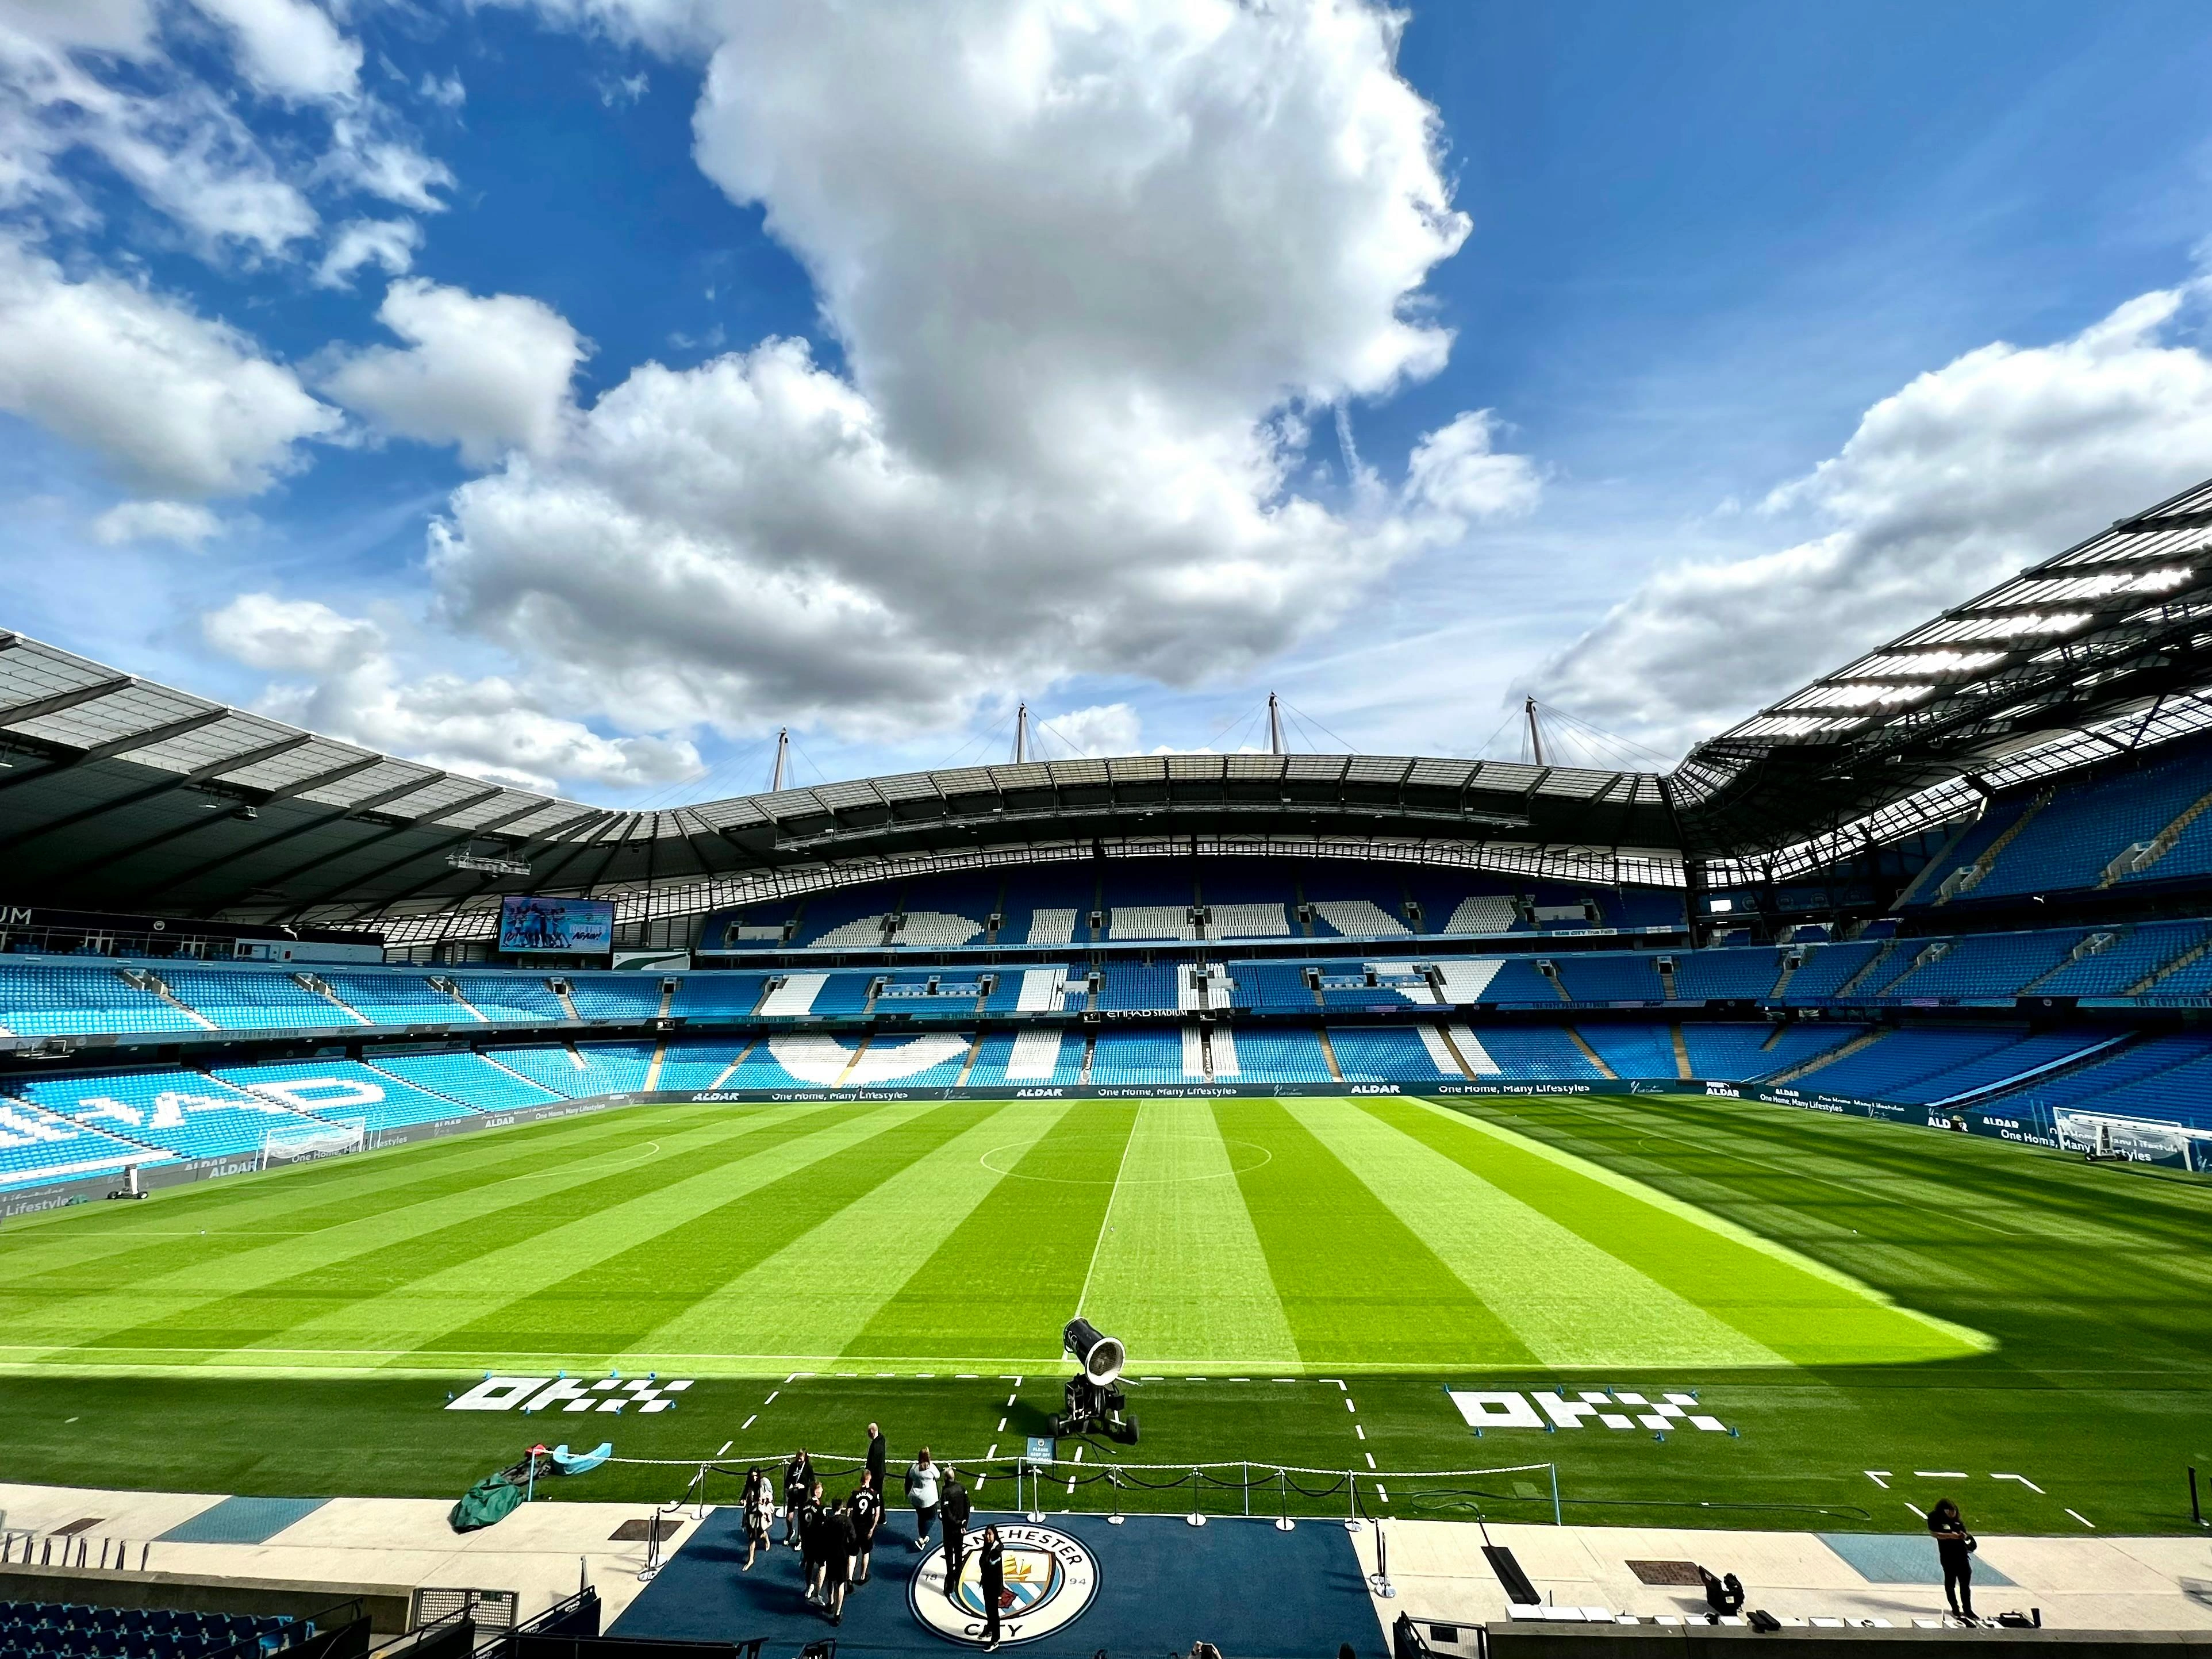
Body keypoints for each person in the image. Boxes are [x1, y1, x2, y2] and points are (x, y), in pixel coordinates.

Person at [1929, 1498, 1976, 1621]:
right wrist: (1952, 1536)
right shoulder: (1935, 1518)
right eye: (1950, 1511)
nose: (1952, 1514)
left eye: (1954, 1511)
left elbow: (1965, 1536)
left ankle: (1968, 1609)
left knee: (1965, 1585)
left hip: (1962, 1556)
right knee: (1950, 1584)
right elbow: (1936, 1534)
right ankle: (1955, 1608)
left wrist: (1965, 1537)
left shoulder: (1957, 1522)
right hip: (1948, 1557)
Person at [820, 1496, 855, 1625]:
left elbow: (823, 1538)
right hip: (842, 1555)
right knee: (840, 1583)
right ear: (842, 1508)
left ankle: (830, 1602)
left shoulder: (828, 1522)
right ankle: (837, 1613)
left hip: (830, 1554)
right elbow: (853, 1538)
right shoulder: (846, 1521)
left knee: (830, 1580)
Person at [940, 1466, 973, 1601]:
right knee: (959, 1552)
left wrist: (958, 1523)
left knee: (949, 1555)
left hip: (950, 1529)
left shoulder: (946, 1493)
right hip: (960, 1528)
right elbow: (967, 1506)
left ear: (945, 1478)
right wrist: (964, 1524)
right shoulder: (962, 1488)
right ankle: (958, 1575)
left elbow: (947, 1514)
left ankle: (950, 1584)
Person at [850, 1472, 884, 1585]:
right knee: (866, 1552)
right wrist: (872, 1529)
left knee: (853, 1553)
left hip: (855, 1527)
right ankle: (862, 1576)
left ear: (861, 1480)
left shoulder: (855, 1493)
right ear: (870, 1479)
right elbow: (877, 1514)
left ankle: (849, 1578)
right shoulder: (874, 1494)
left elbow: (848, 1510)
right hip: (866, 1528)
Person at [800, 1480, 830, 1604]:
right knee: (822, 1566)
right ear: (817, 1491)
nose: (822, 1491)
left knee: (809, 1565)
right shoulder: (820, 1508)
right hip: (818, 1542)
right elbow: (824, 1525)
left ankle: (808, 1587)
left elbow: (801, 1524)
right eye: (821, 1489)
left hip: (807, 1541)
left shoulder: (803, 1506)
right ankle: (817, 1595)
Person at [906, 1446, 941, 1550]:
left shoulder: (914, 1468)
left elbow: (910, 1477)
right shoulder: (931, 1468)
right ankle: (922, 1538)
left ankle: (923, 1536)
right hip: (928, 1499)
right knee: (932, 1517)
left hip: (916, 1498)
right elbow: (938, 1476)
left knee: (921, 1517)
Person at [978, 1523, 1005, 1651]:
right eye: (987, 1534)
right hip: (987, 1584)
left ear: (995, 1535)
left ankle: (996, 1639)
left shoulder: (995, 1552)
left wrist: (999, 1591)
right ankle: (989, 1629)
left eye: (990, 1534)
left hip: (994, 1587)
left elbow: (988, 1567)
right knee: (989, 1610)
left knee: (994, 1613)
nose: (988, 1537)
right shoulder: (988, 1547)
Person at [740, 1468, 772, 1572]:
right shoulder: (749, 1485)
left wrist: (763, 1500)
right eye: (752, 1476)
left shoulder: (763, 1483)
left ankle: (765, 1537)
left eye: (755, 1476)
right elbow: (744, 1496)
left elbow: (770, 1496)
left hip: (760, 1513)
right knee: (751, 1536)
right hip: (750, 1513)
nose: (754, 1478)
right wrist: (743, 1501)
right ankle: (751, 1559)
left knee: (759, 1533)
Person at [782, 1450, 814, 1549]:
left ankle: (800, 1538)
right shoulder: (792, 1466)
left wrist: (803, 1486)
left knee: (801, 1518)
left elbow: (812, 1481)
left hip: (803, 1495)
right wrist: (790, 1485)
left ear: (805, 1458)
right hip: (793, 1494)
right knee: (789, 1517)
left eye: (801, 1457)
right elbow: (787, 1480)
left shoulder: (808, 1467)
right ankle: (790, 1531)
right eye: (798, 1457)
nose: (799, 1459)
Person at [866, 1422, 888, 1492]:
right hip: (880, 1473)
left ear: (872, 1432)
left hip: (876, 1475)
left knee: (875, 1493)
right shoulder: (881, 1439)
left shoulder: (876, 1445)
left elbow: (874, 1462)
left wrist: (869, 1474)